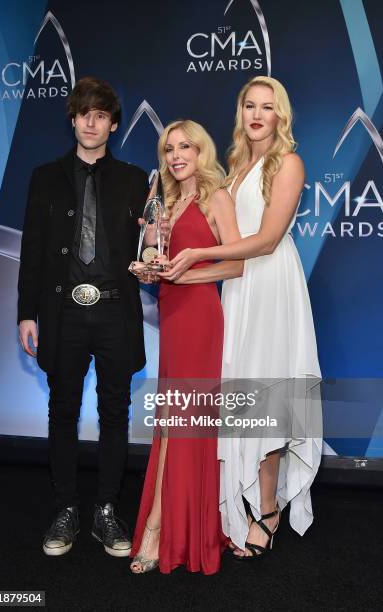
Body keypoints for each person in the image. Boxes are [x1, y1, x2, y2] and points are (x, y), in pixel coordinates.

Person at [161, 76, 322, 559]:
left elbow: (268, 239)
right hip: (238, 286)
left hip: (271, 284)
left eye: (267, 107)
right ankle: (240, 500)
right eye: (249, 105)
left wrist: (199, 252)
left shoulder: (289, 163)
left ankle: (267, 510)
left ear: (281, 115)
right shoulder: (234, 165)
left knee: (268, 397)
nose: (256, 114)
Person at [18, 76, 151, 557]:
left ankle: (107, 511)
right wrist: (25, 313)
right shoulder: (45, 176)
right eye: (83, 113)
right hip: (61, 310)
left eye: (100, 115)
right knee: (62, 411)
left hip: (116, 310)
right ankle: (65, 508)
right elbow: (32, 251)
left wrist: (153, 256)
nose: (91, 122)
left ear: (113, 124)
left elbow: (149, 246)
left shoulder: (139, 180)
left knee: (116, 413)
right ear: (72, 119)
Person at [129, 120, 241, 574]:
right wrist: (150, 265)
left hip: (199, 316)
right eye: (169, 148)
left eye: (185, 147)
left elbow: (234, 265)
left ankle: (158, 526)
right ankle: (175, 524)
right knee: (173, 422)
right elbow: (159, 260)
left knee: (182, 422)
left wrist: (184, 274)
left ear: (201, 152)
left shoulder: (217, 197)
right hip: (172, 315)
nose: (176, 155)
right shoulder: (164, 201)